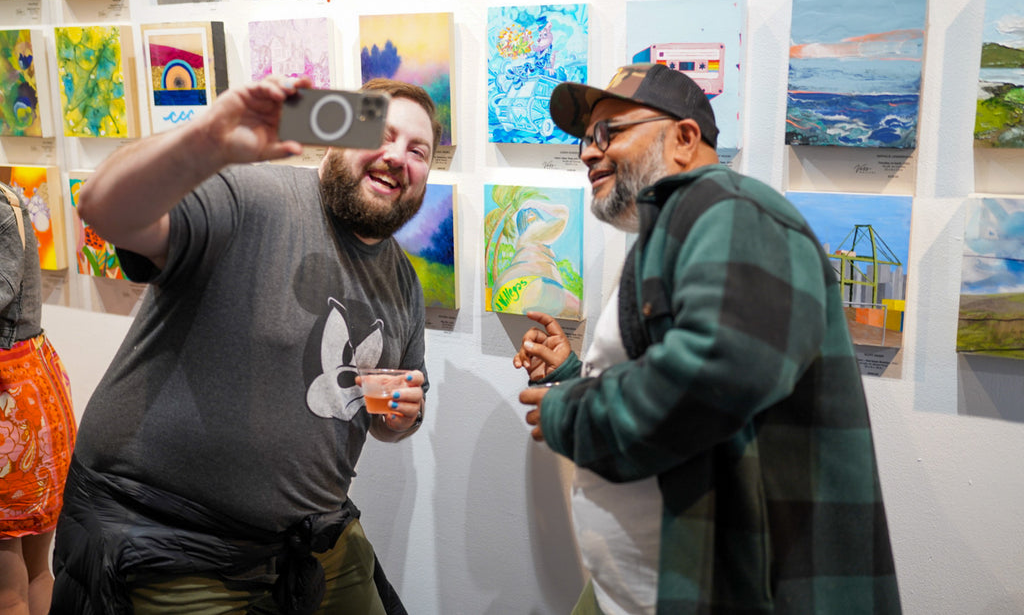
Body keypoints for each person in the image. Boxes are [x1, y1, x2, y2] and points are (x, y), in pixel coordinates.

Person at [513, 63, 901, 615]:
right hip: (644, 588)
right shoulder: (680, 226)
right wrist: (576, 377)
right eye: (583, 139)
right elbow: (687, 375)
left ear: (684, 138)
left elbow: (717, 372)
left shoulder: (728, 209)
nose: (586, 153)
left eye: (609, 132)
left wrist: (570, 412)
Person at [49, 74, 439, 614]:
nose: (398, 157)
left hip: (310, 538)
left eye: (417, 150)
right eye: (384, 134)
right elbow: (103, 207)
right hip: (165, 535)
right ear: (338, 139)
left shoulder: (402, 283)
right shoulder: (254, 197)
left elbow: (390, 411)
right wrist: (208, 137)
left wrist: (398, 420)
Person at [0, 181, 76, 615]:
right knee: (34, 573)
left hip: (11, 398)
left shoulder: (2, 207)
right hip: (31, 384)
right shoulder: (9, 199)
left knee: (11, 590)